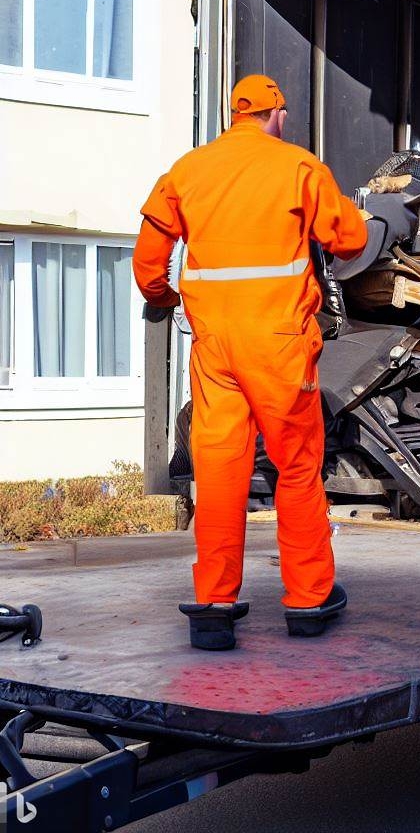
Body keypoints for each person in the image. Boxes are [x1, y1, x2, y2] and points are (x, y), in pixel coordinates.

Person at [133, 75, 368, 649]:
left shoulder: (188, 170)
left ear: (234, 114)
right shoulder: (299, 168)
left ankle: (214, 606)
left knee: (218, 473)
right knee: (296, 468)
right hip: (279, 344)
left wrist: (164, 298)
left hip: (214, 348)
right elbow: (350, 239)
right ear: (276, 113)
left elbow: (148, 264)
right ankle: (309, 600)